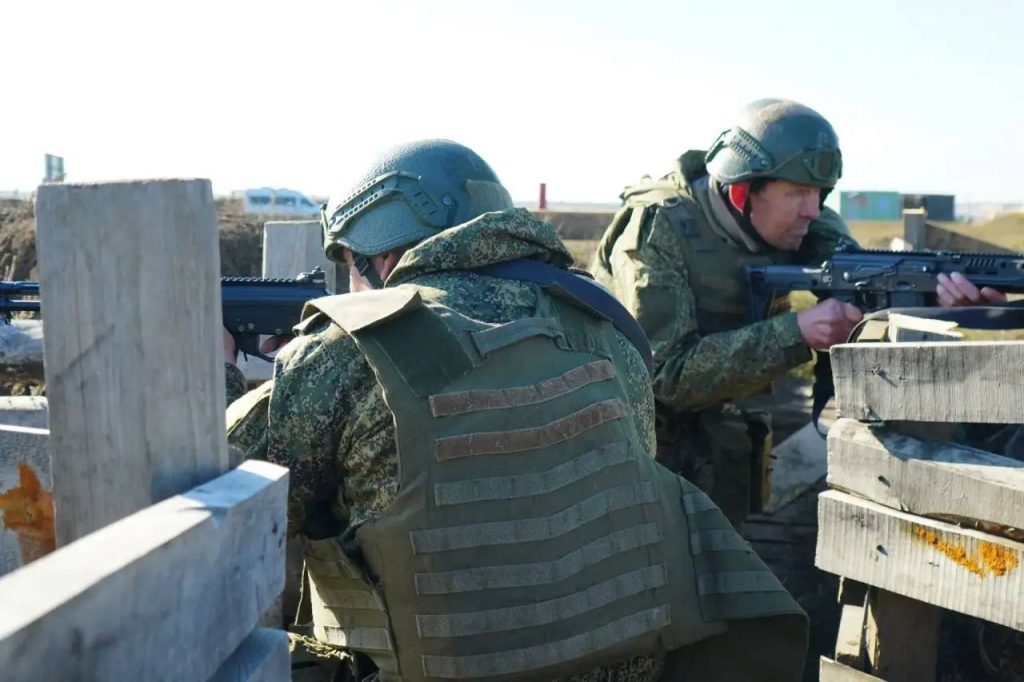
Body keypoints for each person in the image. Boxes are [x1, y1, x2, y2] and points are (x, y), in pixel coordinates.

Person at [223, 139, 809, 681]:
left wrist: (226, 370)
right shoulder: (603, 327)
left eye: (352, 264)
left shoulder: (347, 351)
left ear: (386, 249)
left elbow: (232, 498)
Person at [589, 98, 1005, 526]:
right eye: (798, 193)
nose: (814, 209)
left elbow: (870, 279)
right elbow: (664, 377)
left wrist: (935, 297)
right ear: (742, 192)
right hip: (631, 453)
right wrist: (797, 333)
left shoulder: (804, 221)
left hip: (720, 446)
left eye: (821, 193)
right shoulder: (657, 230)